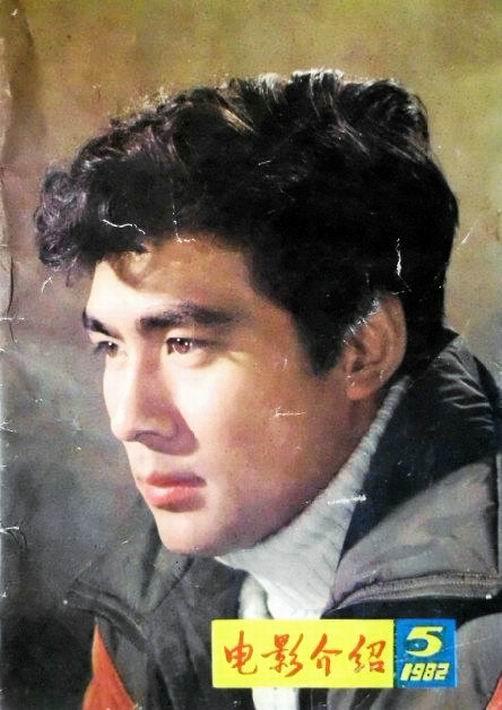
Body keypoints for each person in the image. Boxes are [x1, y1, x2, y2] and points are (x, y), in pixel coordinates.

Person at [35, 69, 501, 709]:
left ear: (362, 349)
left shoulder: (480, 651)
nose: (129, 419)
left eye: (184, 343)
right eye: (110, 347)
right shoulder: (157, 604)